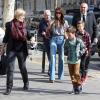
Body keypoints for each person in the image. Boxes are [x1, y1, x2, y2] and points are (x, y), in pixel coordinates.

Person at [1, 8, 34, 95]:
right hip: (11, 49)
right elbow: (6, 37)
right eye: (22, 16)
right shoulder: (9, 25)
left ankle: (26, 83)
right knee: (10, 69)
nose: (23, 17)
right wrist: (3, 47)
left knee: (22, 68)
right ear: (18, 16)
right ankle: (8, 88)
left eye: (24, 16)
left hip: (21, 50)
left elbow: (29, 35)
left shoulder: (25, 25)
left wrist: (32, 39)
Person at [49, 7, 69, 83]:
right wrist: (50, 25)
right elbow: (48, 31)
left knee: (61, 58)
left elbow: (67, 31)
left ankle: (60, 75)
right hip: (54, 39)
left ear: (62, 13)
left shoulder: (65, 22)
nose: (58, 14)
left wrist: (66, 35)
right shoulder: (52, 21)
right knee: (52, 57)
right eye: (56, 13)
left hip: (62, 39)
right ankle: (52, 77)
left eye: (59, 13)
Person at [65, 26, 85, 94]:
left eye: (69, 34)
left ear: (73, 33)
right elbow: (65, 48)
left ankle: (79, 86)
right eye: (67, 34)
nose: (68, 36)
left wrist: (80, 53)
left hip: (77, 60)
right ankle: (74, 87)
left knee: (76, 73)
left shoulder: (78, 40)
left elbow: (83, 48)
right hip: (70, 60)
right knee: (72, 75)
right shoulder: (67, 41)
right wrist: (65, 52)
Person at [38, 10, 51, 74]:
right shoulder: (42, 22)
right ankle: (51, 68)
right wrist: (42, 33)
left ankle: (51, 68)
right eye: (46, 15)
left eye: (48, 15)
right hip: (47, 41)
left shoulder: (53, 21)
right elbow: (39, 32)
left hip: (54, 40)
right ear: (44, 15)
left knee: (52, 55)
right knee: (49, 55)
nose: (47, 16)